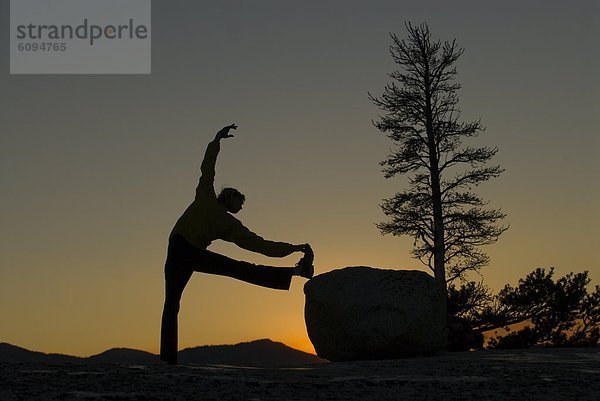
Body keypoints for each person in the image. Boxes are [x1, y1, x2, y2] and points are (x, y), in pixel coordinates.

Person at [160, 124, 314, 365]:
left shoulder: (231, 226)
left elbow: (259, 245)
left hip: (186, 252)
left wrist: (291, 248)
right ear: (228, 196)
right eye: (239, 201)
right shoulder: (206, 195)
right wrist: (216, 140)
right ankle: (167, 361)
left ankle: (295, 271)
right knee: (172, 303)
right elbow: (207, 168)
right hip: (180, 249)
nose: (240, 206)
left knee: (238, 268)